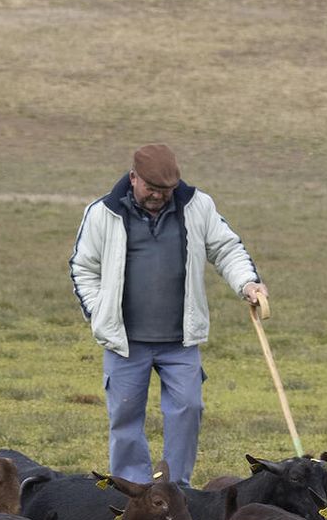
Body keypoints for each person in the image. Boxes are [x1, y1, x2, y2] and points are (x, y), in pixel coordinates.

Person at [70, 143, 267, 486]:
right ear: (133, 178)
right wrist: (99, 314)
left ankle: (176, 489)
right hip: (125, 341)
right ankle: (132, 490)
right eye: (151, 188)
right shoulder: (102, 213)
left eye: (166, 190)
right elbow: (83, 269)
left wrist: (248, 284)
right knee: (125, 418)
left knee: (188, 410)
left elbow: (226, 248)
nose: (158, 196)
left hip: (180, 340)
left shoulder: (197, 206)